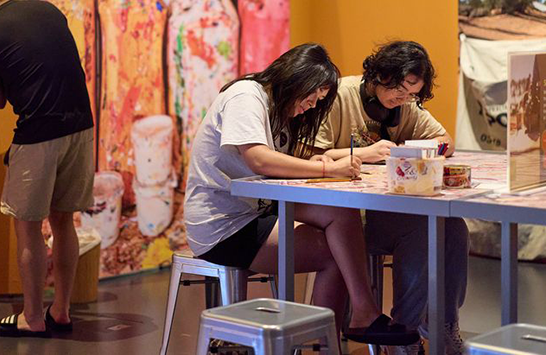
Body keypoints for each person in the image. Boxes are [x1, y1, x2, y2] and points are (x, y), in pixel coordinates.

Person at [184, 43, 419, 346]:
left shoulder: (277, 109)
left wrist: (320, 164)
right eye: (311, 98)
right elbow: (259, 159)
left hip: (257, 208)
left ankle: (362, 313)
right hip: (224, 223)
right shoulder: (246, 96)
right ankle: (327, 341)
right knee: (336, 253)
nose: (311, 106)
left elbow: (279, 162)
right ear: (298, 79)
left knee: (339, 211)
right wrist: (327, 170)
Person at [0, 0, 94, 338]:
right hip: (81, 126)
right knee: (64, 220)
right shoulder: (48, 10)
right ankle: (62, 310)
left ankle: (32, 317)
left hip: (38, 134)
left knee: (28, 228)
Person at [311, 41, 467, 355]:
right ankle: (403, 333)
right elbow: (312, 154)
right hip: (341, 218)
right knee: (421, 227)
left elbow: (445, 141)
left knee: (453, 226)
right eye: (402, 88)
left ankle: (442, 325)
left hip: (381, 206)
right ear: (381, 73)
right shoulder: (340, 95)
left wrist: (408, 149)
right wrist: (364, 153)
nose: (405, 98)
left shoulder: (404, 105)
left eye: (413, 93)